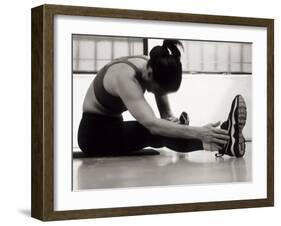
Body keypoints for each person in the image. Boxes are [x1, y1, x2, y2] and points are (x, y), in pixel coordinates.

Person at [78, 39, 247, 158]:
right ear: (150, 74)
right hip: (94, 136)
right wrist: (198, 132)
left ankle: (223, 140)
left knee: (165, 128)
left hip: (114, 125)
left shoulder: (151, 64)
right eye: (159, 90)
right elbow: (152, 125)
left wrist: (172, 122)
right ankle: (223, 142)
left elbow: (164, 114)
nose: (157, 94)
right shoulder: (125, 77)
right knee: (152, 132)